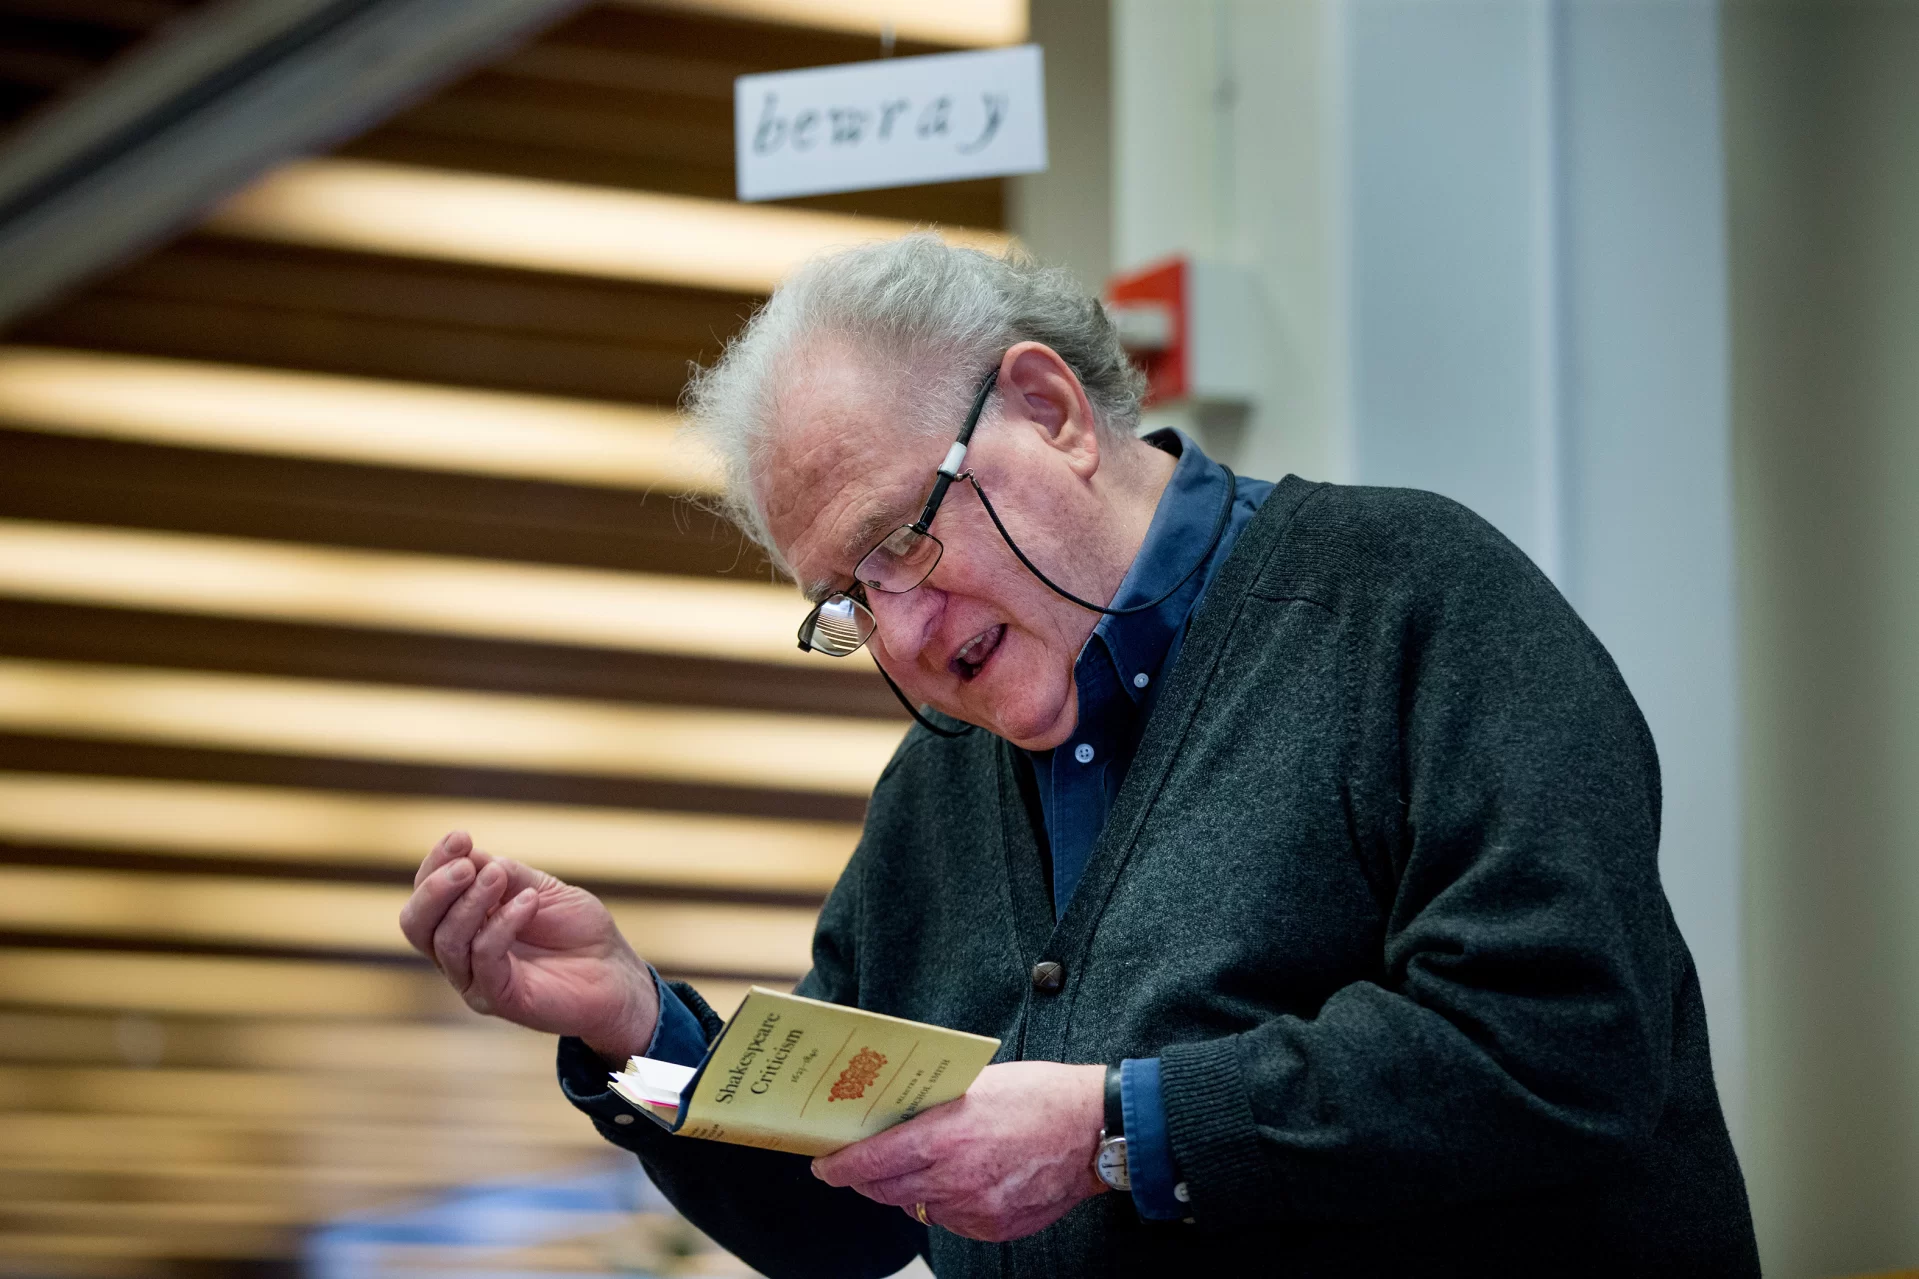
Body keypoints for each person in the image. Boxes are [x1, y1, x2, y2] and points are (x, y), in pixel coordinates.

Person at [398, 235, 1759, 1277]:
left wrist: (1120, 1128)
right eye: (849, 601)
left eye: (904, 541)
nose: (905, 635)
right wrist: (627, 1033)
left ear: (1048, 409)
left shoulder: (1404, 596)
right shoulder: (933, 799)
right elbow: (838, 1218)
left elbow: (1560, 1047)